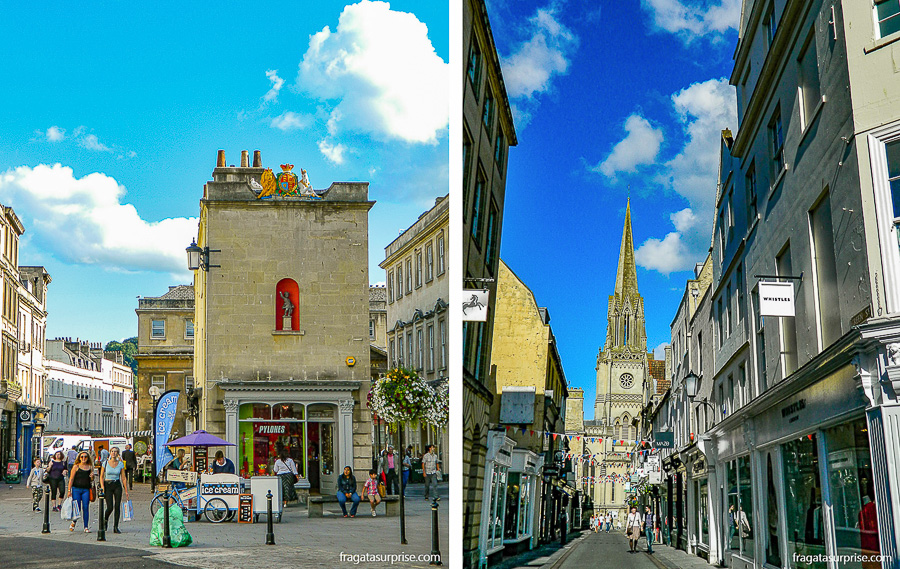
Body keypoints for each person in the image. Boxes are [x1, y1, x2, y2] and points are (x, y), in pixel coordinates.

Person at [100, 447, 129, 534]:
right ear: (110, 453)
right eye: (112, 451)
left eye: (115, 452)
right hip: (107, 484)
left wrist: (126, 490)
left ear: (118, 453)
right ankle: (105, 521)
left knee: (117, 506)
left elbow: (123, 477)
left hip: (117, 484)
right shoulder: (105, 463)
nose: (114, 453)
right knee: (110, 507)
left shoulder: (120, 464)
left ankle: (116, 526)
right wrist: (102, 487)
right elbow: (101, 476)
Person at [66, 451, 94, 532]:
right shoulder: (76, 466)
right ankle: (74, 521)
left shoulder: (90, 467)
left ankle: (86, 526)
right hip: (76, 489)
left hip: (86, 489)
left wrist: (92, 477)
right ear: (79, 458)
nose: (84, 458)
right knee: (77, 507)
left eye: (85, 457)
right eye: (82, 457)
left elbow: (92, 480)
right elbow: (71, 479)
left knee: (86, 507)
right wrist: (69, 490)